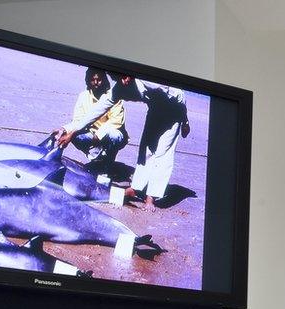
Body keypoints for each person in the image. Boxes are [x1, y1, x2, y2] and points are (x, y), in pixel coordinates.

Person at [56, 74, 189, 211]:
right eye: (117, 78)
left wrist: (185, 122)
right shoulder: (119, 87)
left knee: (162, 152)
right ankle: (136, 188)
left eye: (125, 77)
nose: (123, 81)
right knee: (146, 149)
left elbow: (179, 97)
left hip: (175, 111)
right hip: (155, 108)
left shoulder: (152, 82)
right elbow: (97, 110)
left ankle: (151, 197)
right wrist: (71, 132)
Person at [68, 68, 128, 173]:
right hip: (92, 133)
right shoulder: (83, 96)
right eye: (93, 80)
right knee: (74, 135)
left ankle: (107, 166)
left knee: (114, 136)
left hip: (111, 132)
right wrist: (64, 129)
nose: (96, 83)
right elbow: (78, 120)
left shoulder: (114, 95)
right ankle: (97, 157)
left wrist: (99, 135)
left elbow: (116, 121)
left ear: (104, 80)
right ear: (88, 80)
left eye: (99, 80)